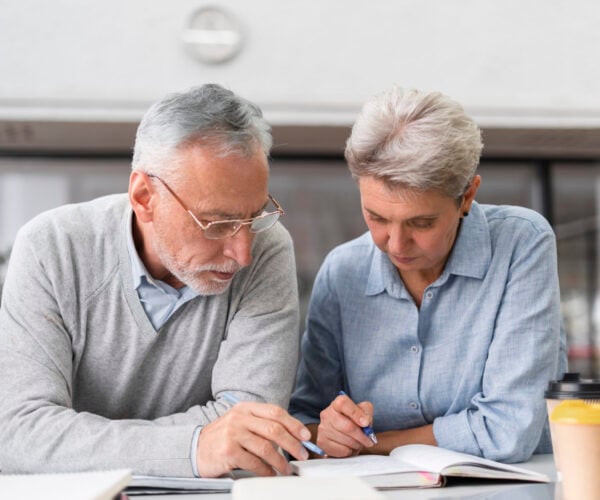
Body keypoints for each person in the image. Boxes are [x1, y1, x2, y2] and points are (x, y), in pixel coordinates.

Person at [0, 84, 312, 478]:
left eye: (253, 217)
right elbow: (19, 435)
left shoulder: (266, 248)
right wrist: (197, 447)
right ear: (144, 197)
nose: (243, 252)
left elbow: (251, 439)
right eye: (218, 223)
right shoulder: (52, 247)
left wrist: (74, 442)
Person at [289, 86, 568, 463]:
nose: (397, 243)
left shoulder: (521, 243)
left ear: (467, 196)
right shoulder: (343, 271)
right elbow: (305, 419)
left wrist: (373, 442)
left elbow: (508, 429)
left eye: (421, 222)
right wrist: (328, 430)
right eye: (377, 218)